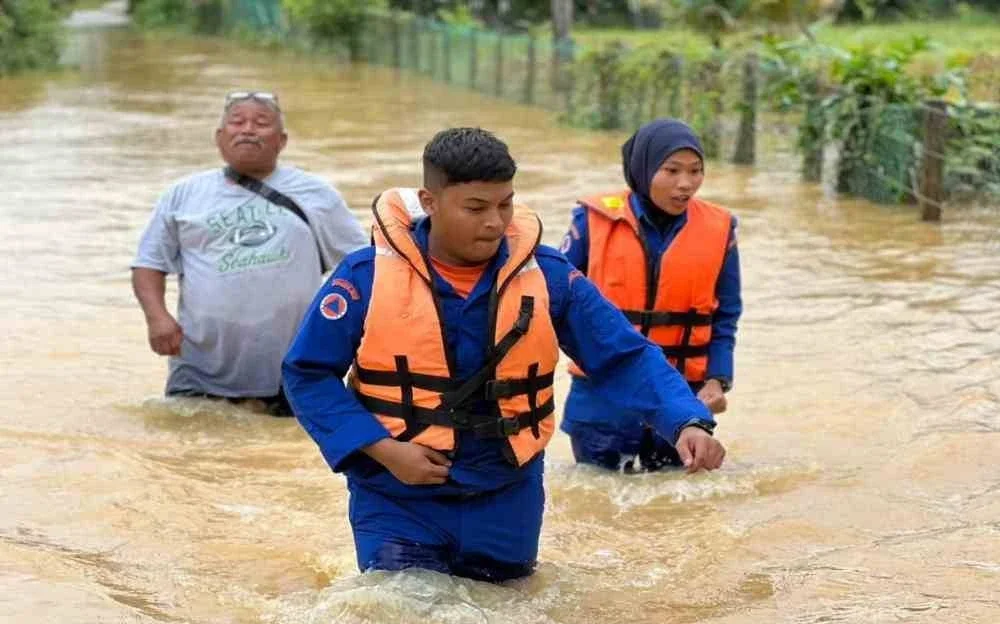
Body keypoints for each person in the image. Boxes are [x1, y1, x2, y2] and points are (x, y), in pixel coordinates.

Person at [282, 127, 725, 583]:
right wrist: (384, 450)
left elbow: (624, 356)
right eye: (476, 208)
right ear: (429, 203)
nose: (495, 221)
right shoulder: (365, 275)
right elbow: (307, 374)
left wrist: (686, 420)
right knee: (405, 623)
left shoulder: (547, 275)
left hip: (507, 495)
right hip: (397, 495)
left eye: (505, 204)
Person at [131, 91, 368, 416]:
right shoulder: (184, 195)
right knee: (187, 457)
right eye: (237, 121)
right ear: (219, 137)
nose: (248, 129)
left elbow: (361, 266)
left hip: (295, 367)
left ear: (281, 140)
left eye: (261, 123)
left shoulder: (316, 194)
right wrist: (157, 318)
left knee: (281, 457)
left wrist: (352, 332)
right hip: (199, 365)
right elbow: (149, 264)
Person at [560, 118, 743, 473]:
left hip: (681, 397)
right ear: (643, 169)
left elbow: (726, 314)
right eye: (671, 170)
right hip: (602, 396)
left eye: (695, 171)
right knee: (598, 501)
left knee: (678, 509)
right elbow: (554, 302)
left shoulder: (721, 229)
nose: (685, 184)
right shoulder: (591, 220)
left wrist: (717, 379)